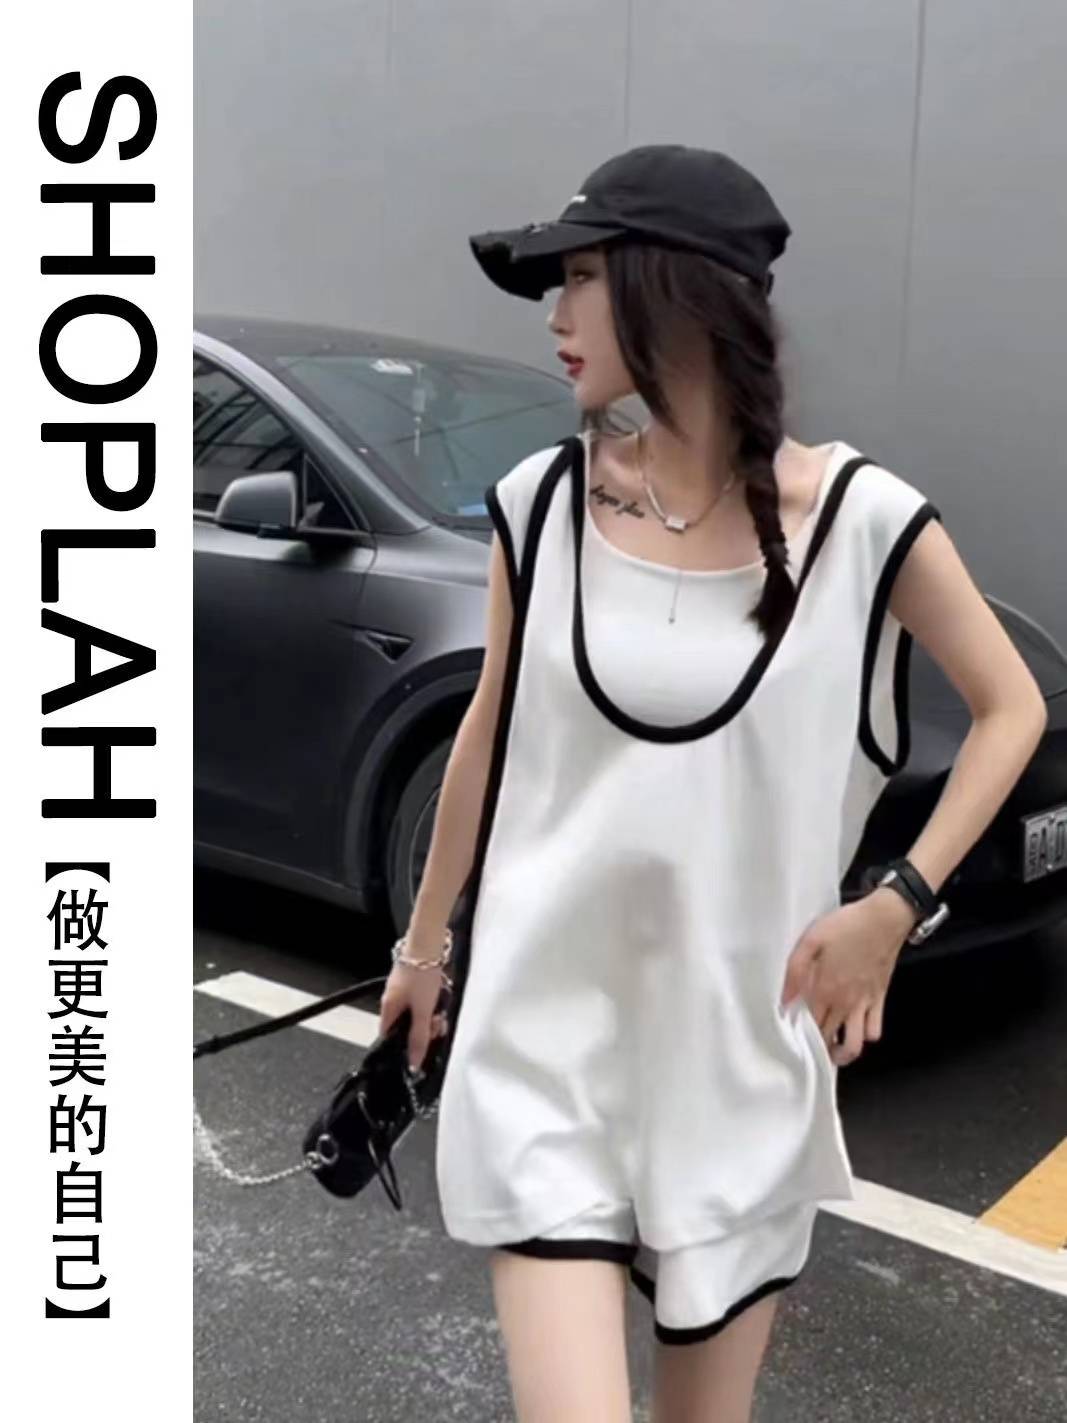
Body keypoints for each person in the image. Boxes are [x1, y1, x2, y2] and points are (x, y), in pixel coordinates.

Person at [375, 144, 1038, 1421]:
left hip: (734, 1070)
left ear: (674, 292)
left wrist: (894, 903)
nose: (554, 314)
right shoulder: (538, 508)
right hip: (541, 1054)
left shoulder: (862, 521)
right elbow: (486, 738)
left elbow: (1008, 708)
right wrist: (423, 948)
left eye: (581, 277)